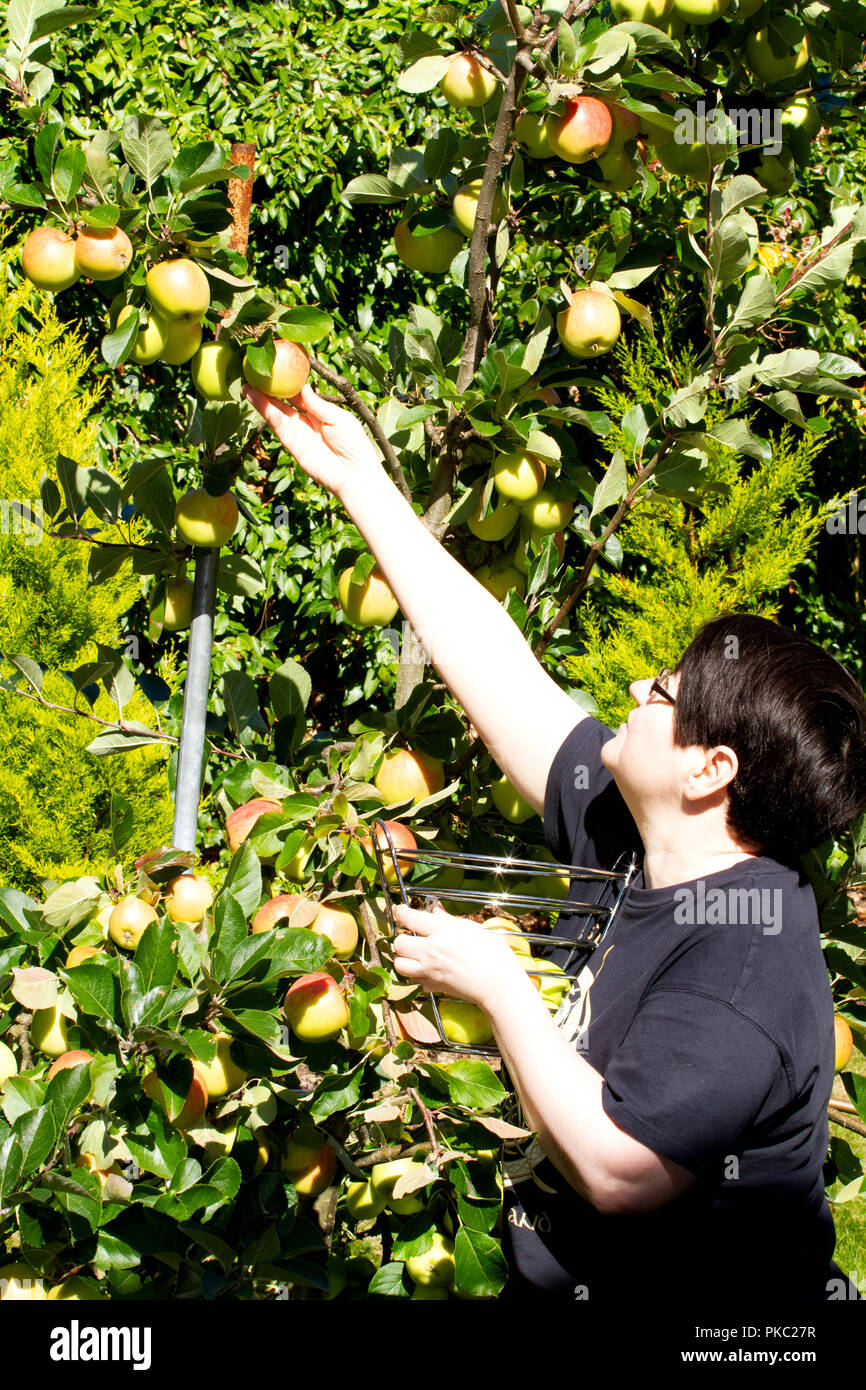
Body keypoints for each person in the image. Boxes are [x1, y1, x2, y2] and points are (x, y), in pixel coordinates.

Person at [245, 381, 866, 1304]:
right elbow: (496, 664)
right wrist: (359, 477)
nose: (639, 687)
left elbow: (623, 1171)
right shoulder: (641, 833)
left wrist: (499, 986)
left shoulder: (745, 961)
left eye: (666, 693)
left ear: (709, 772)